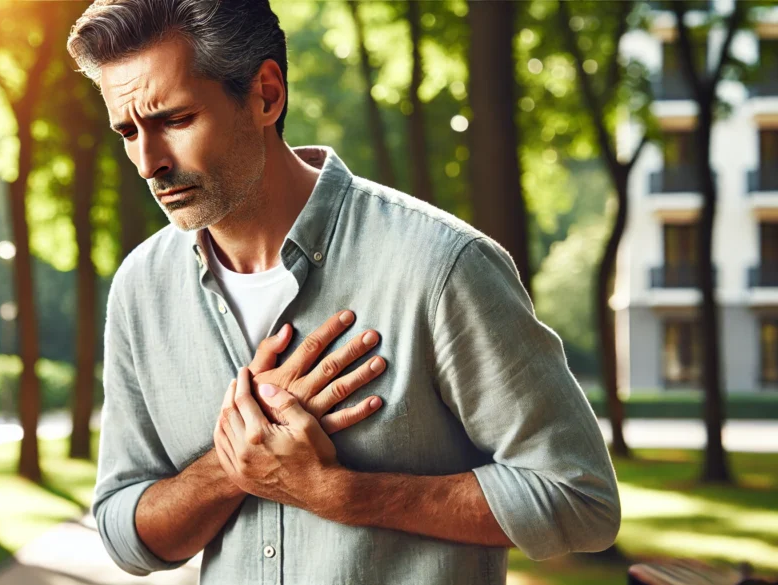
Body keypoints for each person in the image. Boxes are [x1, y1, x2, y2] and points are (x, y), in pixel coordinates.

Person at [66, 1, 621, 583]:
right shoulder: (140, 288)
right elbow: (126, 536)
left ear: (265, 94)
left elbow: (580, 500)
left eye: (175, 120)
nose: (148, 162)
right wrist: (236, 462)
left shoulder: (441, 266)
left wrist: (351, 496)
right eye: (127, 131)